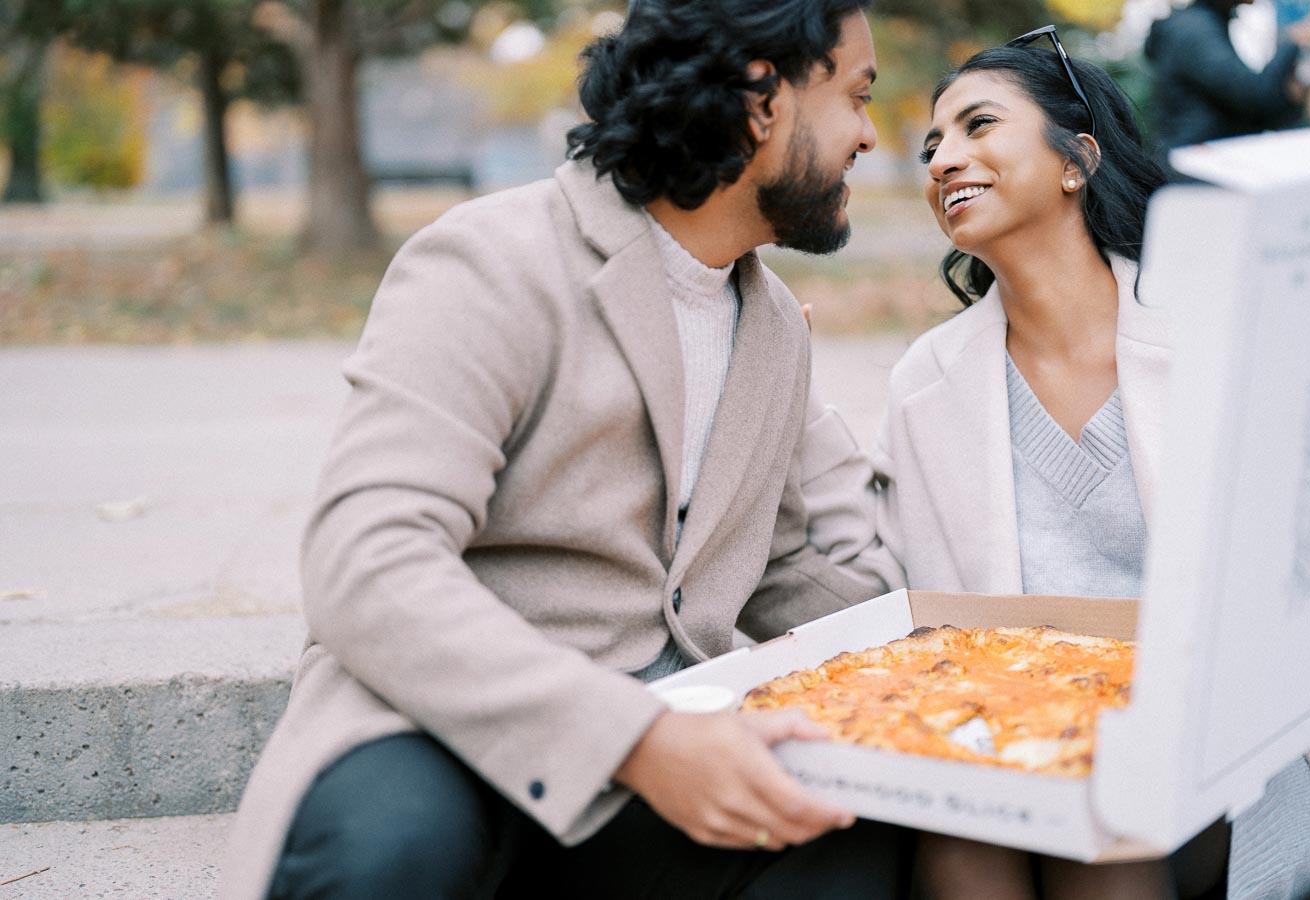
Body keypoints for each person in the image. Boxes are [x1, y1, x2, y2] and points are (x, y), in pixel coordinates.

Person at [219, 2, 908, 899]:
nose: (867, 134)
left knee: (855, 841)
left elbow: (780, 571)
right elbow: (367, 558)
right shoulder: (489, 260)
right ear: (762, 100)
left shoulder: (773, 324)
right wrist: (633, 739)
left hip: (667, 738)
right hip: (444, 725)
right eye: (857, 95)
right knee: (394, 854)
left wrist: (956, 640)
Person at [806, 31, 1310, 900]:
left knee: (1096, 836)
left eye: (980, 125)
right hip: (1014, 737)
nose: (945, 158)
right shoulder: (924, 382)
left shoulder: (1224, 331)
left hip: (1221, 745)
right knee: (964, 849)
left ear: (1077, 160)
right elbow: (884, 583)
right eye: (934, 143)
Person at [1144, 0, 1310, 181]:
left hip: (1211, 163)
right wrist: (1292, 40)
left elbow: (1260, 112)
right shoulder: (1193, 31)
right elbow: (1251, 96)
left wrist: (1297, 93)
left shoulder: (1211, 23)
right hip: (1193, 172)